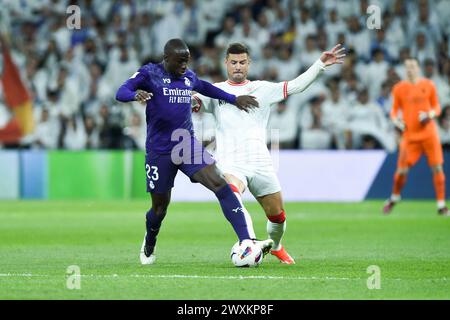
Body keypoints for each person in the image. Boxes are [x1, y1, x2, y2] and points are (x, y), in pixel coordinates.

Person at [115, 39, 273, 265]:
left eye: (186, 61)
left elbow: (206, 87)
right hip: (159, 151)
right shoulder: (149, 73)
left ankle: (246, 241)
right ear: (167, 59)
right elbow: (121, 92)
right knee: (159, 209)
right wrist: (135, 94)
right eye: (179, 62)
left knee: (220, 184)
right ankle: (150, 239)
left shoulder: (188, 77)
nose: (184, 66)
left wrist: (234, 99)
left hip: (185, 145)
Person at [192, 43, 345, 264]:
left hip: (261, 162)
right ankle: (249, 242)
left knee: (278, 216)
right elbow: (190, 102)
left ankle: (276, 246)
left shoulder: (262, 89)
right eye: (233, 62)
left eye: (242, 62)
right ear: (225, 63)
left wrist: (320, 64)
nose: (237, 67)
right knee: (231, 195)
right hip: (231, 162)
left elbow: (296, 86)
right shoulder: (214, 91)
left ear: (249, 63)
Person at [383, 58, 449, 216]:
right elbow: (393, 111)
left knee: (437, 167)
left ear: (418, 68)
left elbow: (437, 107)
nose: (410, 69)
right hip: (410, 136)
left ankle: (441, 205)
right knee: (401, 171)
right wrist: (396, 121)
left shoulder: (428, 85)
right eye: (407, 66)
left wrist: (429, 114)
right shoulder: (399, 88)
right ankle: (395, 196)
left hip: (428, 134)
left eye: (412, 66)